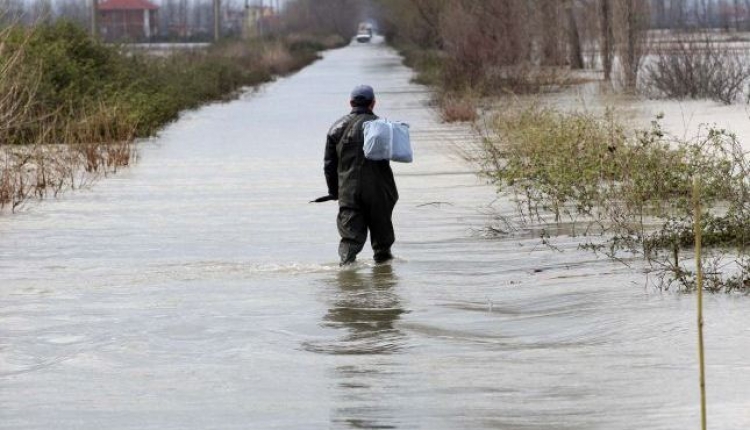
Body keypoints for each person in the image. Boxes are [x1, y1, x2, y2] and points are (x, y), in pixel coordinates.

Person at [324, 85, 399, 266]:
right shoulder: (383, 127)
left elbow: (328, 166)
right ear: (373, 103)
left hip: (348, 191)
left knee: (350, 241)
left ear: (351, 103)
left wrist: (335, 192)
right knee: (382, 244)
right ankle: (384, 282)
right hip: (379, 191)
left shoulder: (335, 129)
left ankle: (347, 280)